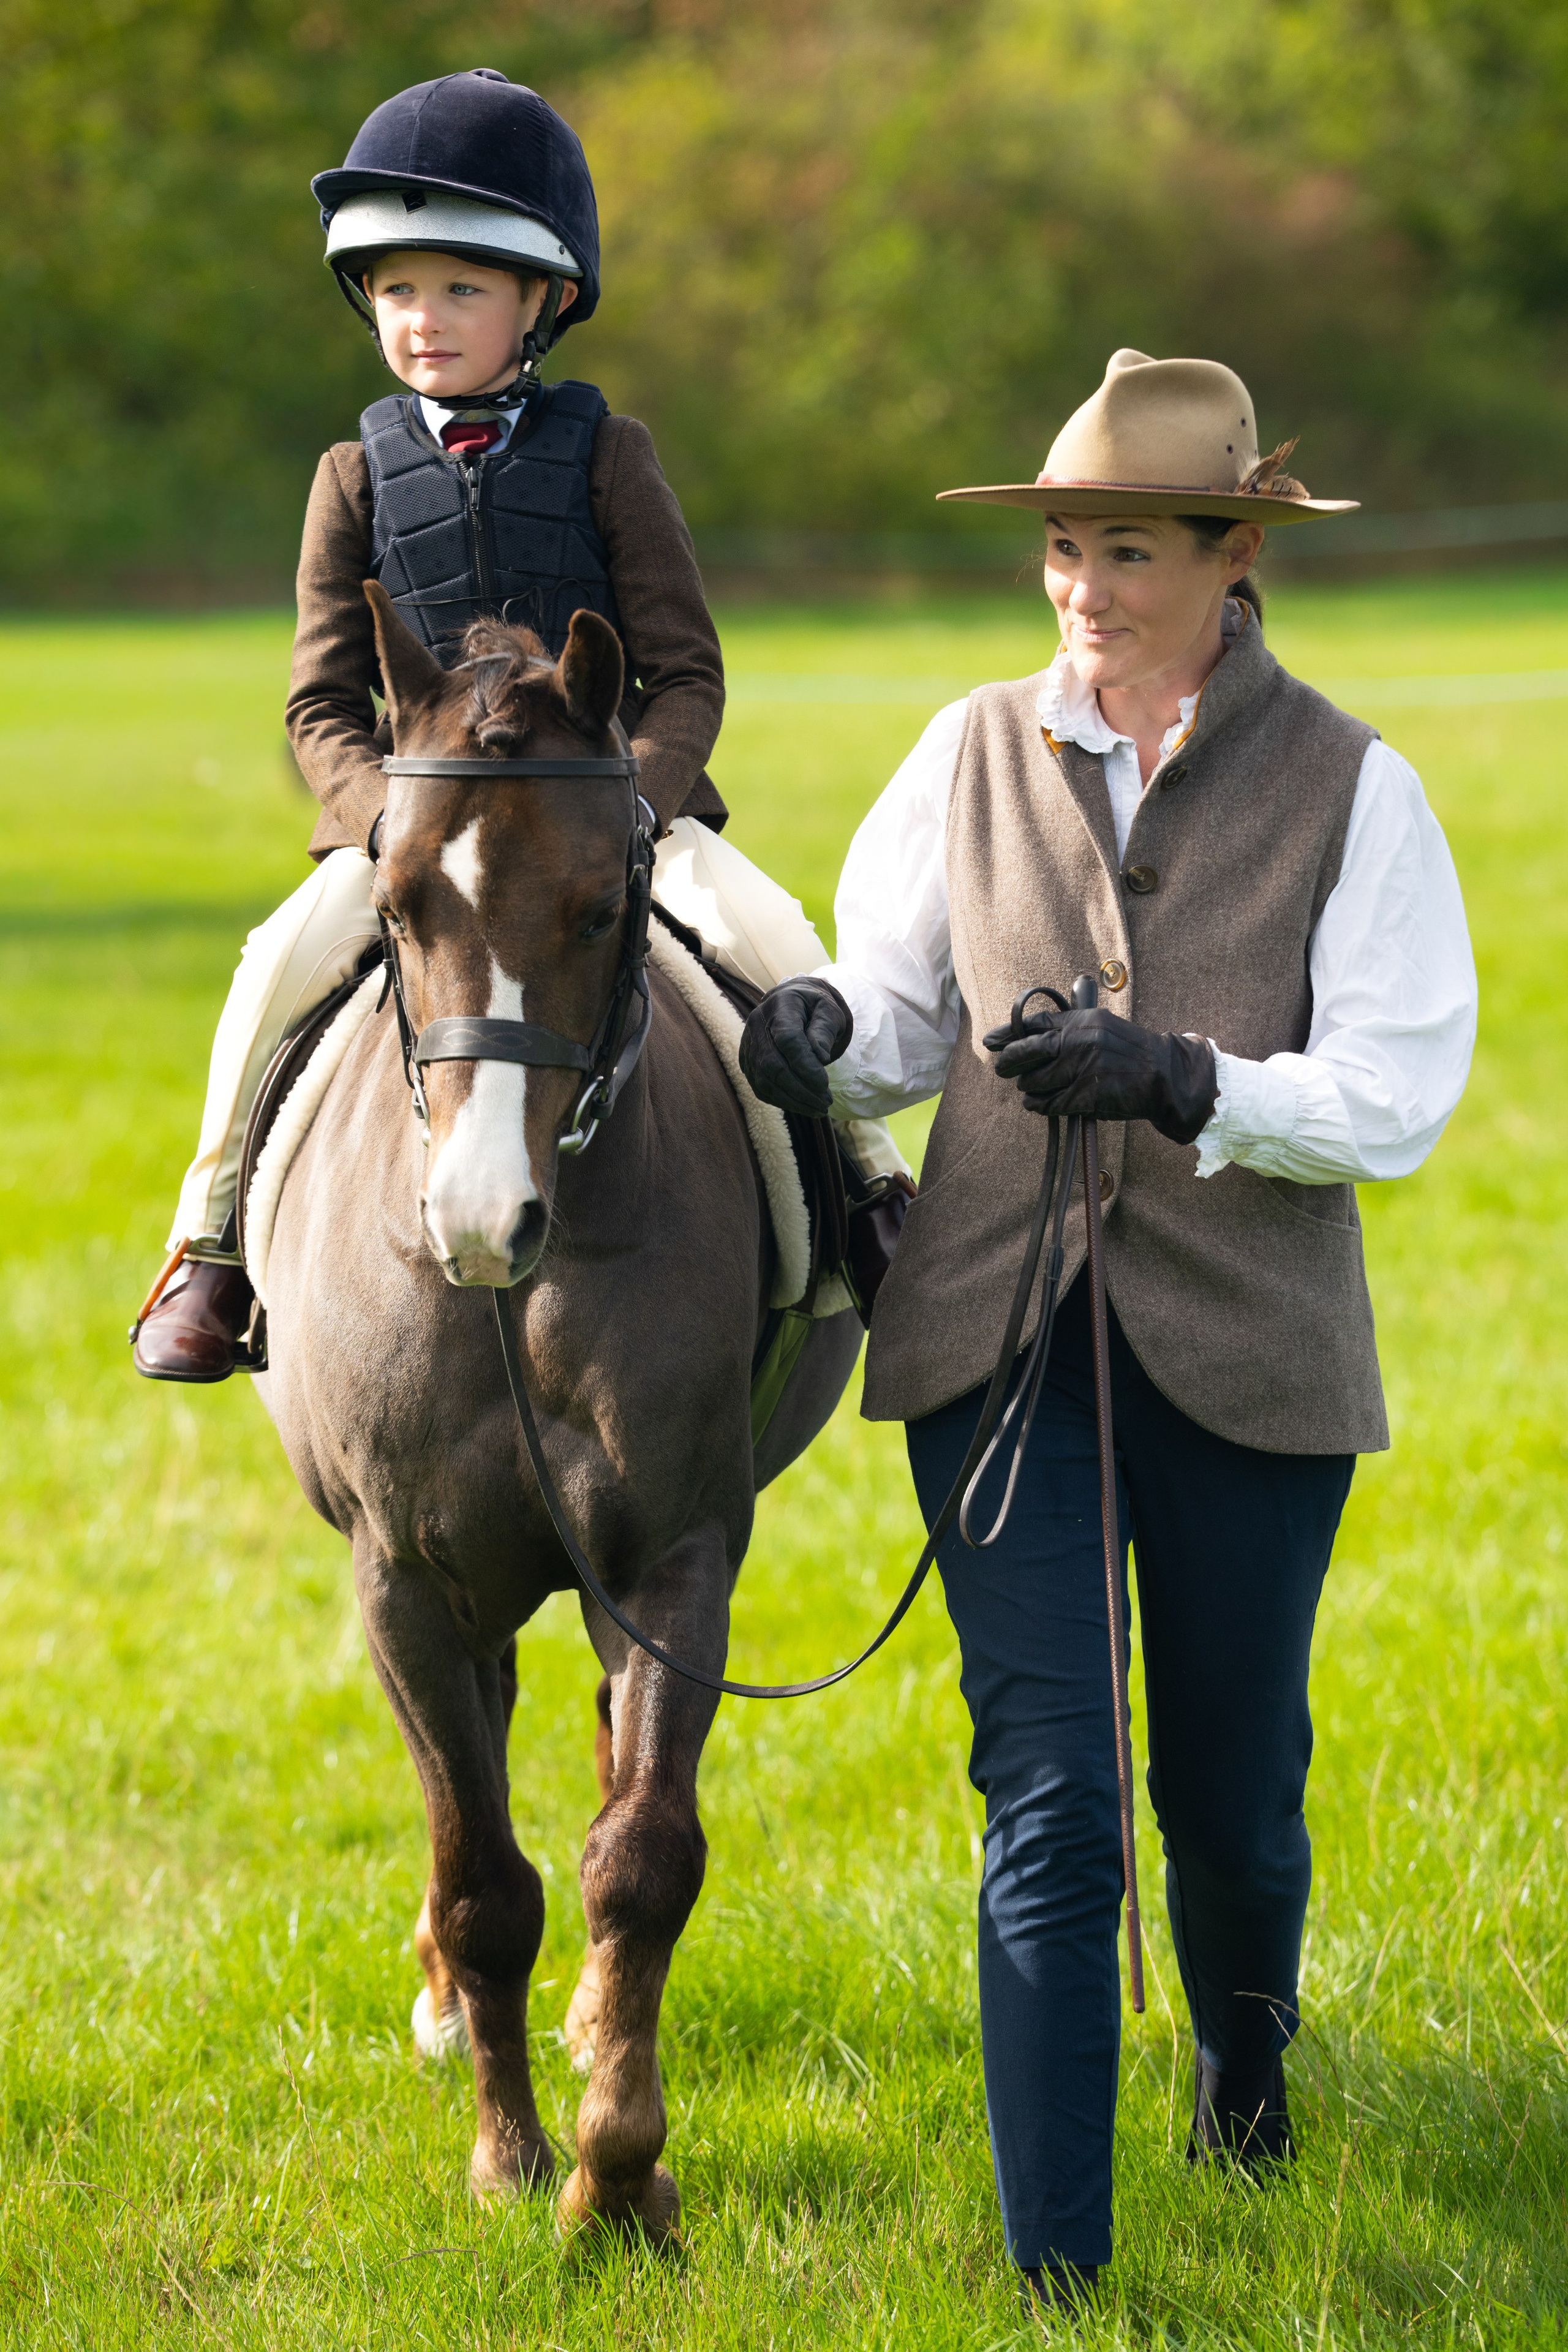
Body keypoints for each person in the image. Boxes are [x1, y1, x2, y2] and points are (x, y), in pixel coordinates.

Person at [738, 350, 1477, 2310]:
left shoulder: (1354, 784)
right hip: (996, 1339)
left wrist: (1179, 1079)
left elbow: (1396, 1095)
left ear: (1237, 556)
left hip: (1252, 1353)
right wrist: (825, 1039)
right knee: (1050, 1787)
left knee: (1229, 1794)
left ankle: (1248, 2076)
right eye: (1064, 546)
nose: (1083, 584)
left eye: (1127, 548)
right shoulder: (968, 746)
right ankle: (1059, 2274)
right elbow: (897, 1017)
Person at [132, 66, 903, 1380]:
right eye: (395, 292)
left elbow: (687, 673)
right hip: (421, 837)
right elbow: (321, 699)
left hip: (609, 823)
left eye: (458, 289)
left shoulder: (612, 456)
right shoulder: (349, 476)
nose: (421, 320)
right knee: (272, 967)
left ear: (542, 300)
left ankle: (864, 1199)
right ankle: (208, 1247)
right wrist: (382, 820)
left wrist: (639, 806)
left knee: (771, 944)